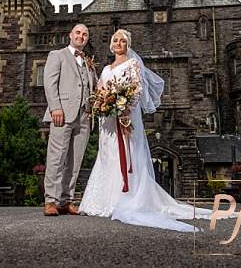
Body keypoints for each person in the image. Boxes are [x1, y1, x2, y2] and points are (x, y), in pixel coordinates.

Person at [79, 29, 219, 231]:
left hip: (126, 116)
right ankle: (102, 200)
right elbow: (100, 90)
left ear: (128, 45)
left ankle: (126, 197)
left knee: (126, 155)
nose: (118, 43)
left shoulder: (133, 64)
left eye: (123, 41)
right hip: (108, 121)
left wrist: (124, 109)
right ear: (111, 44)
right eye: (115, 40)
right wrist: (102, 104)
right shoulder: (107, 68)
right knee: (107, 154)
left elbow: (136, 90)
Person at [42, 24, 95, 216]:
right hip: (61, 114)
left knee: (75, 160)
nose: (81, 36)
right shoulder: (57, 55)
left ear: (87, 39)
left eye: (85, 34)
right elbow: (50, 82)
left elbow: (93, 88)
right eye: (78, 33)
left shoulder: (88, 61)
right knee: (57, 157)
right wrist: (55, 107)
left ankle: (66, 200)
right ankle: (50, 201)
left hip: (84, 116)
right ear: (70, 35)